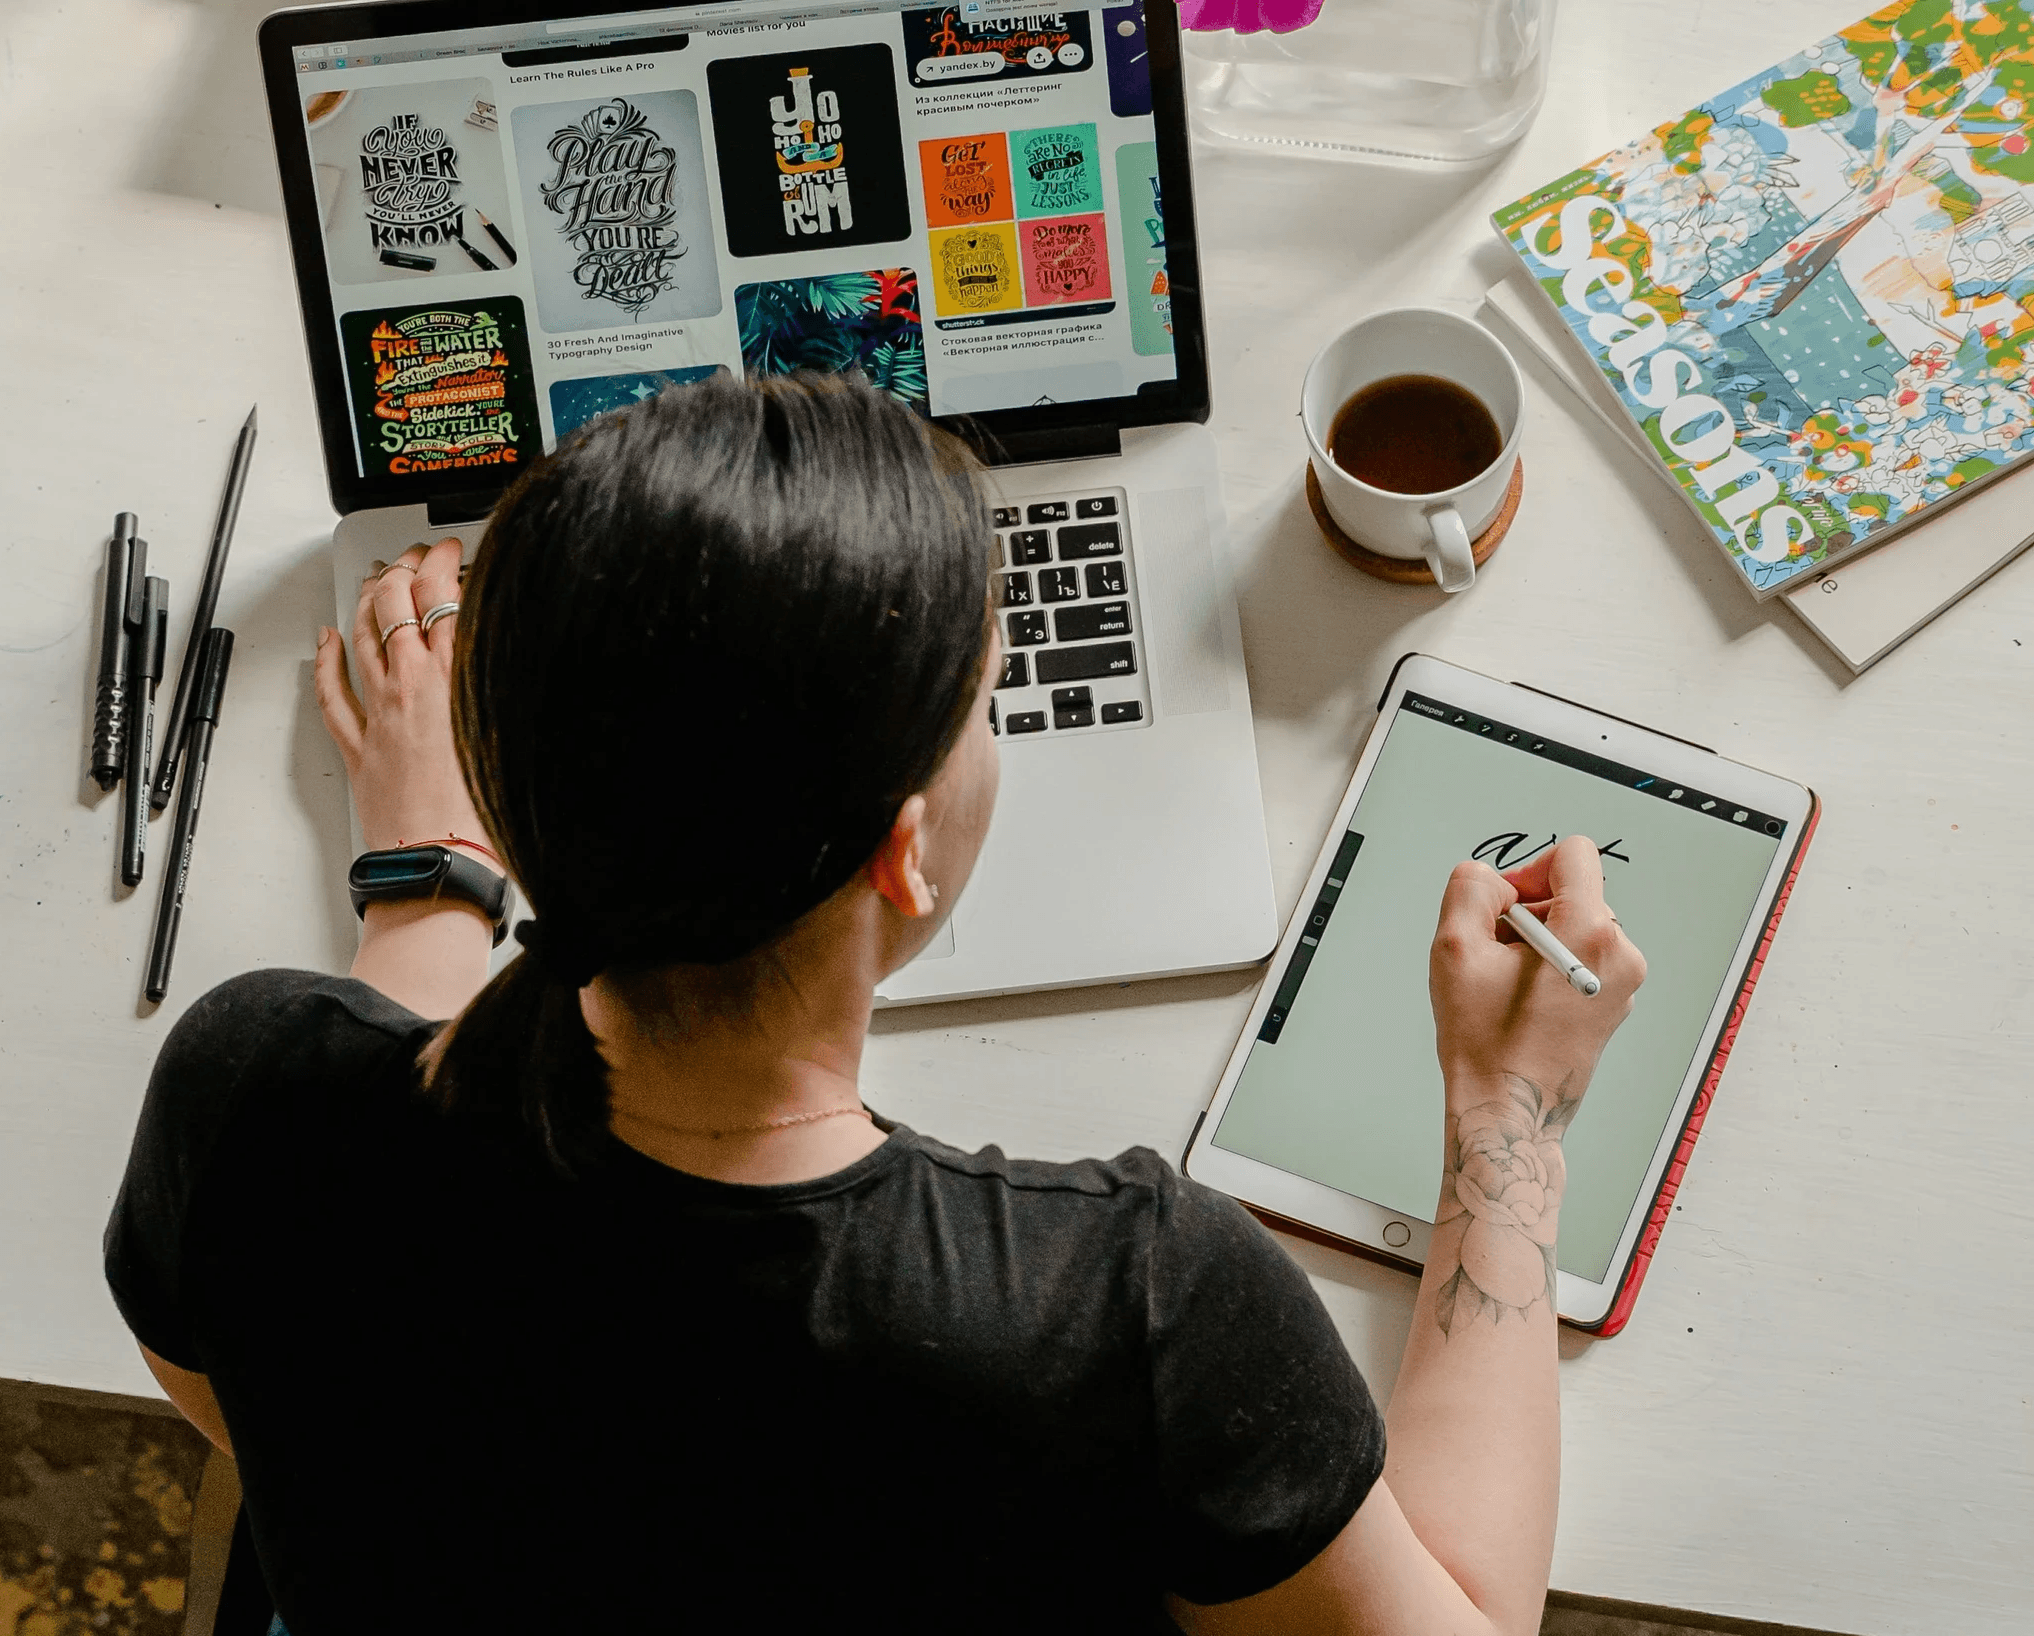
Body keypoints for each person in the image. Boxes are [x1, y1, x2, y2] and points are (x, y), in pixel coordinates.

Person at [105, 373, 1644, 1635]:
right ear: (904, 850)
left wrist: (427, 877)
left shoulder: (254, 1093)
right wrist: (1508, 1119)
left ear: (517, 792)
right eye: (982, 703)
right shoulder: (1123, 1307)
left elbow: (244, 1392)